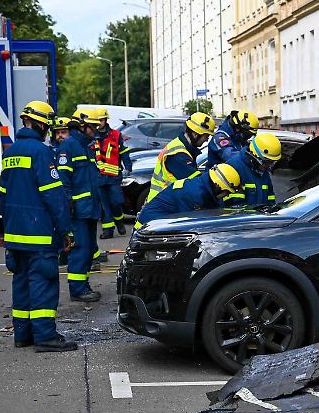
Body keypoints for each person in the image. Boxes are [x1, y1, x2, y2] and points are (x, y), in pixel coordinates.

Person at [0, 101, 77, 352]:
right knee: (43, 282)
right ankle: (45, 336)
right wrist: (65, 230)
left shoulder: (9, 153)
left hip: (14, 234)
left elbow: (3, 195)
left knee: (21, 283)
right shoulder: (42, 153)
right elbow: (54, 197)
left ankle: (22, 335)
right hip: (39, 235)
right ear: (42, 124)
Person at [57, 109, 104, 303]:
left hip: (89, 208)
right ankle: (78, 289)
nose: (96, 130)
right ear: (83, 126)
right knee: (80, 250)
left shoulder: (85, 146)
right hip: (78, 210)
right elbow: (63, 179)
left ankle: (83, 285)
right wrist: (69, 204)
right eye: (93, 126)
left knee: (88, 250)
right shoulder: (70, 146)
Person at [136, 163, 242, 230]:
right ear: (217, 186)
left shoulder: (202, 187)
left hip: (157, 222)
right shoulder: (195, 195)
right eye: (227, 192)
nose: (226, 195)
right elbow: (192, 226)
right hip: (149, 226)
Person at [147, 111, 216, 204]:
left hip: (165, 202)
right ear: (196, 134)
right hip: (161, 206)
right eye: (206, 135)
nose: (207, 139)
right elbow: (198, 183)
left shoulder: (182, 147)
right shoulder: (178, 154)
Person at [92, 107, 128, 238]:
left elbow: (123, 151)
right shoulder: (91, 137)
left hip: (113, 176)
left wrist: (128, 165)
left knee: (116, 201)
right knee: (104, 206)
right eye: (97, 120)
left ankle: (119, 221)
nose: (99, 123)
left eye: (101, 120)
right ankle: (108, 230)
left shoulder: (116, 135)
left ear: (105, 120)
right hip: (99, 176)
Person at [224, 132, 282, 208]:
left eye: (272, 162)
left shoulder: (263, 172)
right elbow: (231, 206)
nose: (269, 166)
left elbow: (270, 199)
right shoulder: (234, 167)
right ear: (254, 155)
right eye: (267, 162)